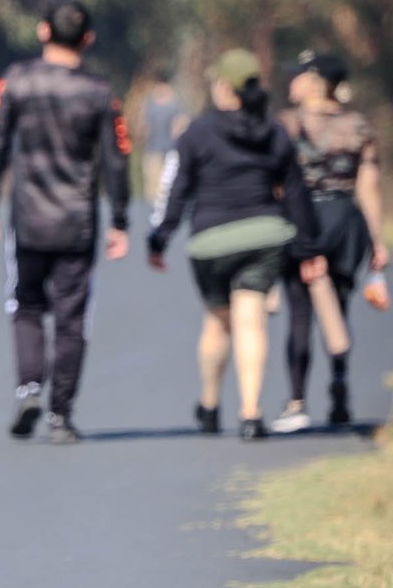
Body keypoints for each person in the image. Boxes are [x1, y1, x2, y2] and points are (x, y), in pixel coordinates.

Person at [0, 0, 132, 442]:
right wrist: (120, 220)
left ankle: (29, 386)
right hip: (78, 222)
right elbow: (117, 158)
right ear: (89, 38)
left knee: (25, 304)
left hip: (28, 219)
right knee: (71, 316)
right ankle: (60, 415)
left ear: (43, 30)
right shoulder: (99, 92)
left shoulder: (16, 81)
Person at [147, 50, 324, 439]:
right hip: (265, 237)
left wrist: (160, 238)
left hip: (211, 241)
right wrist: (309, 248)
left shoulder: (197, 132)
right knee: (251, 320)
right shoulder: (274, 132)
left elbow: (177, 190)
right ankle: (250, 414)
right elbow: (296, 192)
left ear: (224, 86)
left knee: (217, 324)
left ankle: (210, 406)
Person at [270, 51, 387, 432]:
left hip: (302, 220)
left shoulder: (287, 125)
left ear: (315, 82)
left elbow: (275, 182)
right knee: (338, 306)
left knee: (300, 311)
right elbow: (368, 186)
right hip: (345, 223)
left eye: (298, 75)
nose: (292, 82)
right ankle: (339, 385)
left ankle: (296, 401)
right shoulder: (358, 126)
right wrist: (377, 240)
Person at [140, 70, 189, 204]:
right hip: (153, 150)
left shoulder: (175, 104)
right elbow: (145, 126)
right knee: (152, 189)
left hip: (170, 150)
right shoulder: (151, 103)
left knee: (167, 187)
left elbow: (182, 123)